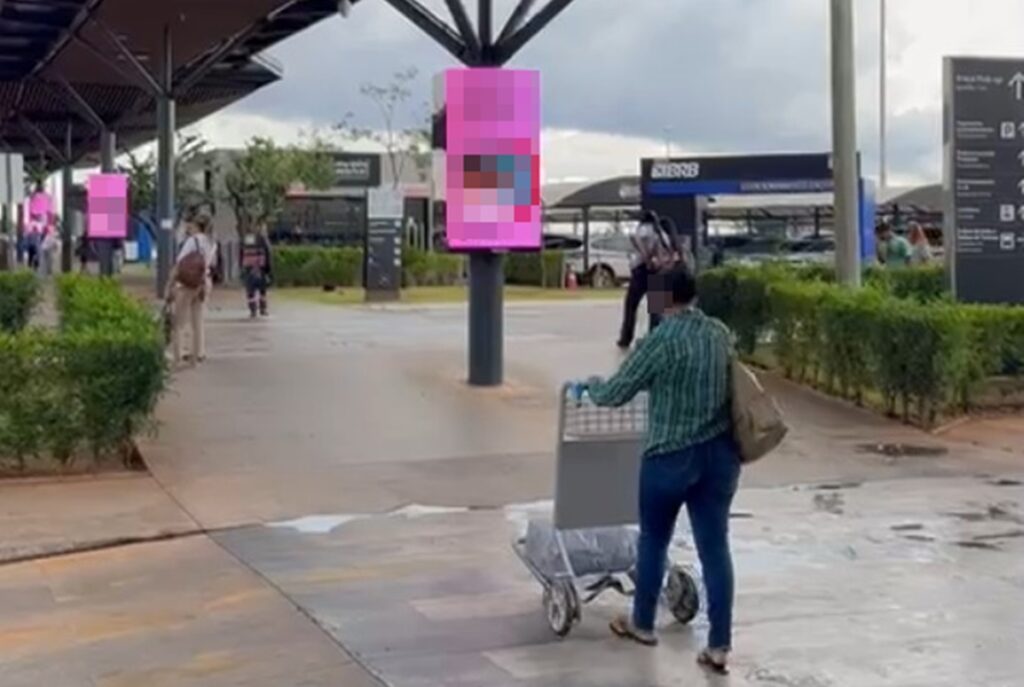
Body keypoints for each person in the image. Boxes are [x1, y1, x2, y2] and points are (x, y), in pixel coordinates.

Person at [576, 265, 738, 675]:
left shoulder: (661, 340)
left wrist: (590, 386)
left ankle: (643, 623)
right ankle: (718, 644)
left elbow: (616, 391)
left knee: (654, 539)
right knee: (715, 548)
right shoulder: (719, 333)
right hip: (719, 457)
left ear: (665, 298)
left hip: (669, 457)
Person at [616, 211, 675, 350]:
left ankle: (626, 338)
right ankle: (656, 338)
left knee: (631, 306)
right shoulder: (663, 235)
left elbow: (636, 246)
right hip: (659, 271)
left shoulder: (642, 231)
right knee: (658, 309)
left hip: (641, 271)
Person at [165, 219, 213, 366]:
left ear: (197, 226)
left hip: (186, 284)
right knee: (197, 321)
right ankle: (197, 356)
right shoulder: (209, 242)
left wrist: (169, 285)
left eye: (190, 225)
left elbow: (180, 264)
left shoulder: (192, 241)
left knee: (179, 322)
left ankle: (177, 356)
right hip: (203, 282)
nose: (188, 227)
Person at [241, 223, 274, 318]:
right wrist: (269, 270)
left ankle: (253, 310)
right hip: (261, 268)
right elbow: (268, 254)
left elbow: (242, 253)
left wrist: (243, 267)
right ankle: (262, 309)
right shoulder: (263, 239)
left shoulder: (247, 239)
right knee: (262, 290)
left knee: (251, 290)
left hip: (249, 268)